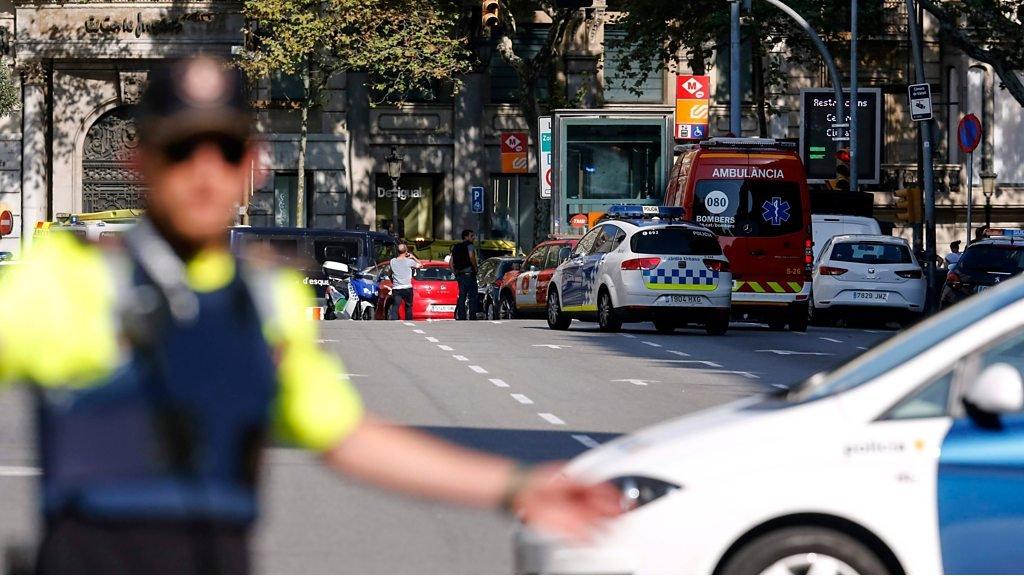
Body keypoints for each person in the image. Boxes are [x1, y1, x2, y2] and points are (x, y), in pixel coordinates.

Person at [0, 57, 619, 574]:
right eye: (182, 148)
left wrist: (516, 487)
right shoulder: (67, 279)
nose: (205, 172)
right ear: (142, 162)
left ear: (253, 164)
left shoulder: (268, 301)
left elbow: (346, 436)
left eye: (225, 148)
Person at [451, 229, 481, 320]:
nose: (474, 238)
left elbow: (450, 263)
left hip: (460, 274)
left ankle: (461, 315)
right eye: (472, 236)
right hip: (469, 274)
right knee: (472, 295)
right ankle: (472, 315)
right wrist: (476, 268)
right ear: (466, 237)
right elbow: (471, 257)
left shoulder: (456, 247)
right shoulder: (470, 245)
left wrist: (455, 272)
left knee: (462, 295)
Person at [389, 243, 421, 320]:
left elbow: (389, 273)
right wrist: (413, 257)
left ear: (397, 251)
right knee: (408, 306)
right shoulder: (409, 261)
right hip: (407, 287)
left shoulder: (392, 261)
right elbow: (420, 265)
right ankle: (409, 321)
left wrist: (392, 279)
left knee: (395, 306)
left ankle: (394, 322)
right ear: (406, 251)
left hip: (397, 288)